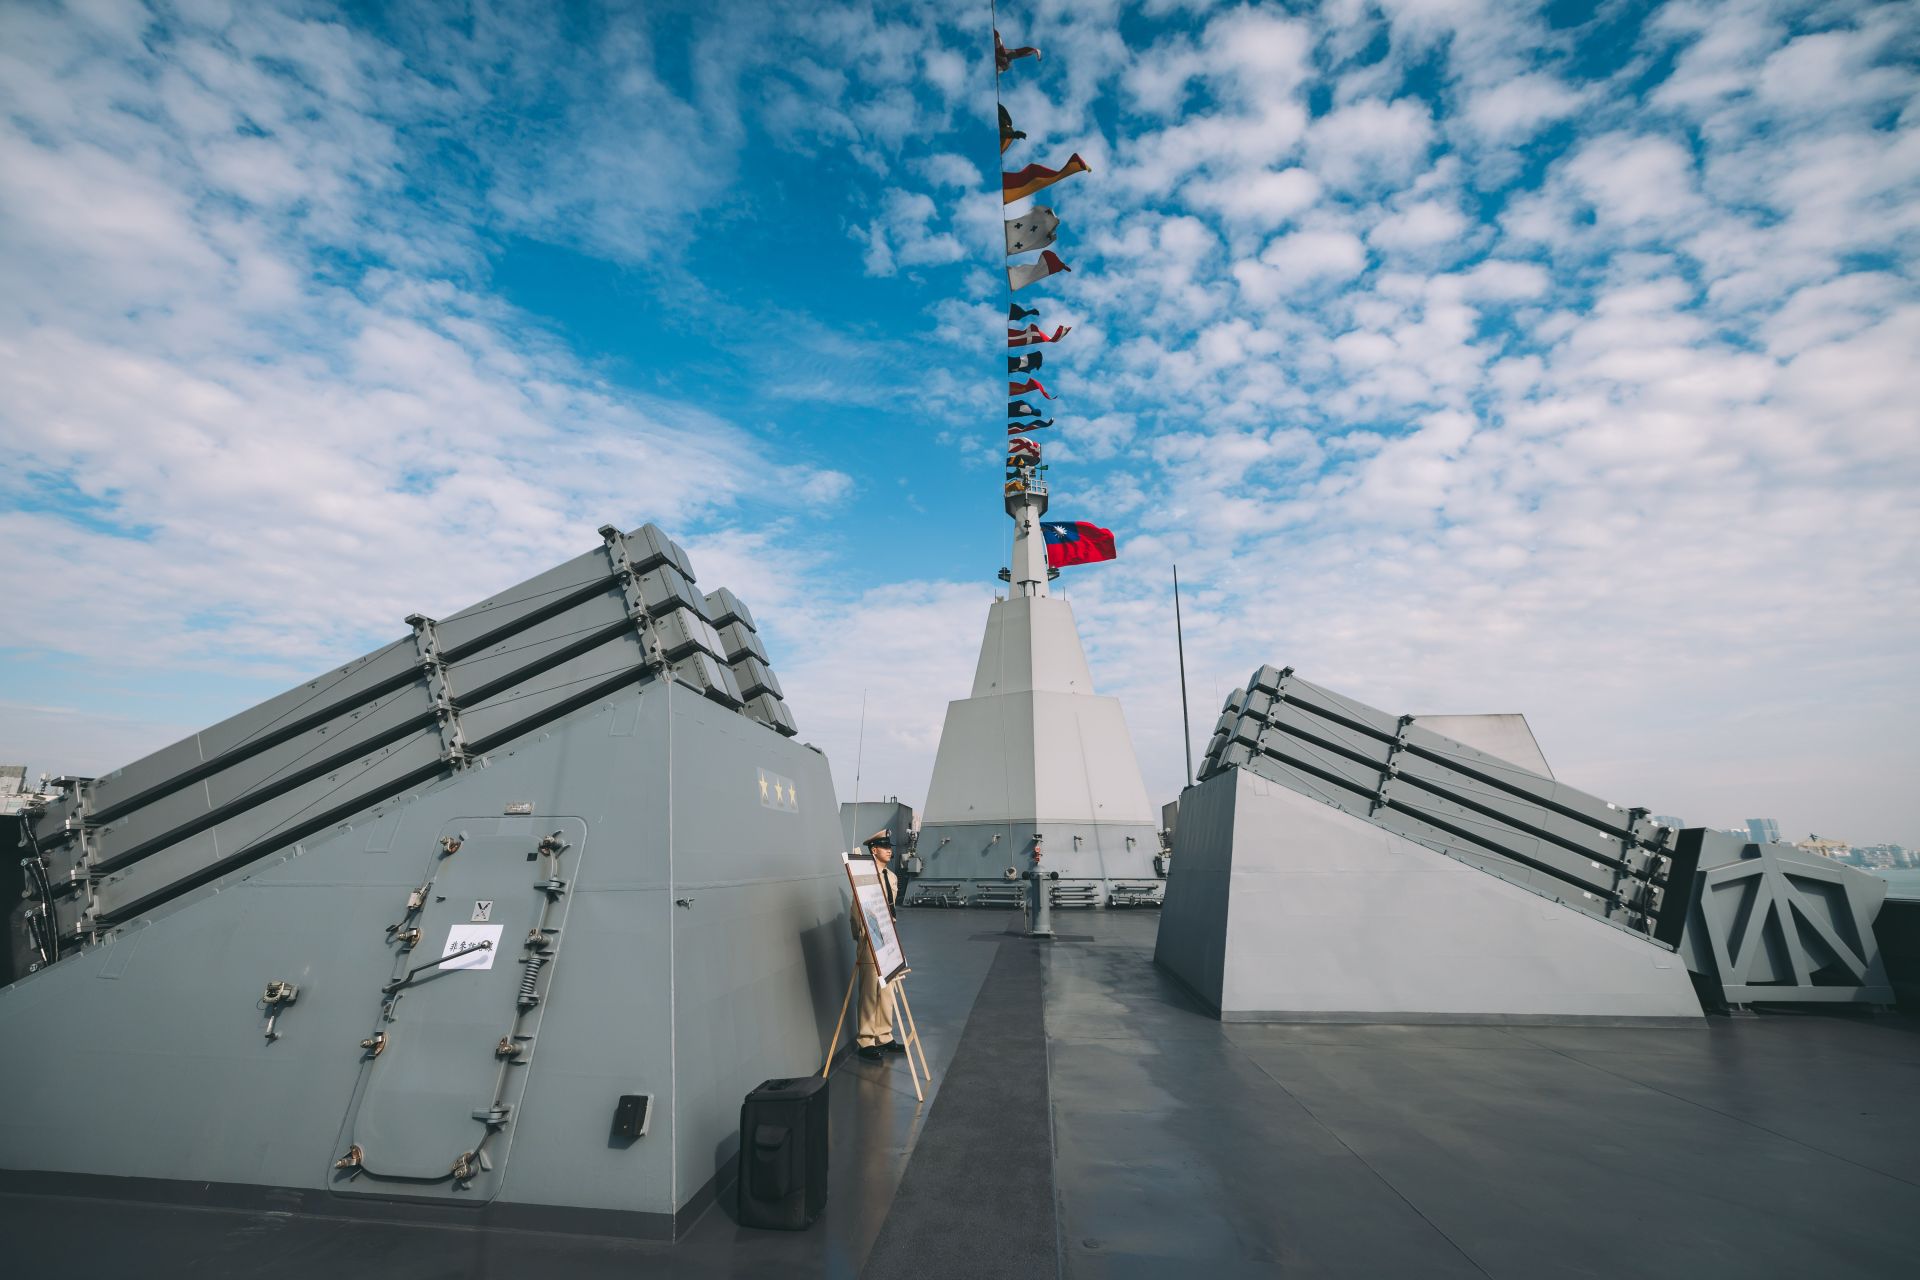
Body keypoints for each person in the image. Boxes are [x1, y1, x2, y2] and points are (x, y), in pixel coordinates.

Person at [853, 830, 904, 1062]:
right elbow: (856, 912)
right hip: (871, 940)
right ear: (874, 850)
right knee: (869, 992)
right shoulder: (864, 876)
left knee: (887, 990)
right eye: (884, 847)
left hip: (888, 938)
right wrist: (861, 938)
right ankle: (866, 1039)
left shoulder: (891, 877)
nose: (889, 850)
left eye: (889, 846)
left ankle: (884, 1035)